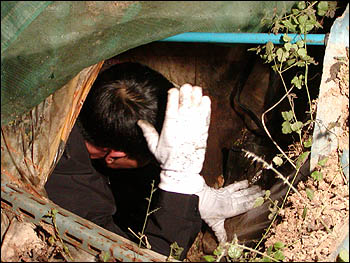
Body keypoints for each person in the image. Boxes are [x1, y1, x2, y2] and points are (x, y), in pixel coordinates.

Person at [45, 62, 264, 259]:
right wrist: (179, 186)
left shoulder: (75, 82)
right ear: (114, 156)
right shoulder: (68, 189)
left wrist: (196, 195)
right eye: (150, 159)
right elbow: (147, 258)